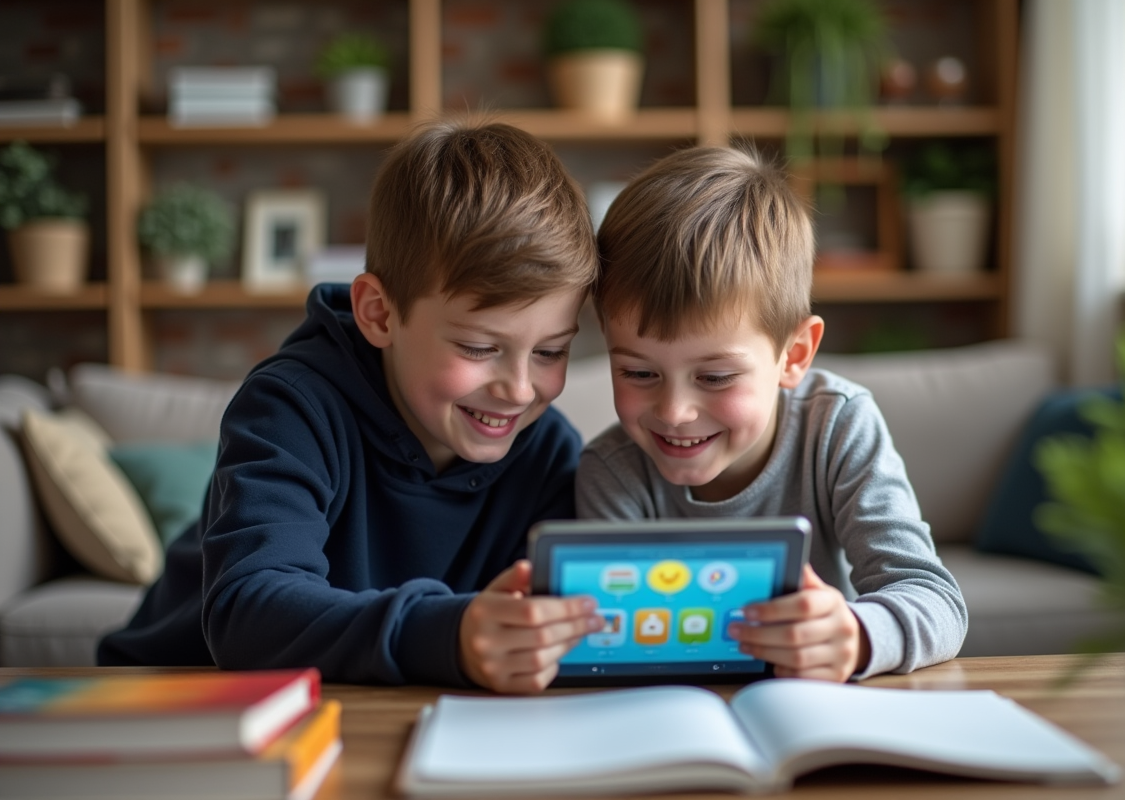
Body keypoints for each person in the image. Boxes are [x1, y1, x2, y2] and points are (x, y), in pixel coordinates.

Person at [99, 121, 605, 693]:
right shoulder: (291, 409)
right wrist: (447, 634)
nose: (519, 390)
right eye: (479, 347)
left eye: (550, 352)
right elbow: (247, 610)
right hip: (167, 691)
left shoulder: (548, 453)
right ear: (379, 314)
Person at [576, 146, 967, 682]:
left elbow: (935, 599)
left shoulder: (837, 426)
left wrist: (856, 636)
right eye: (639, 373)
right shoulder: (611, 471)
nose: (675, 412)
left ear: (794, 355)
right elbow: (610, 639)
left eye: (715, 377)